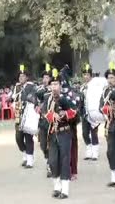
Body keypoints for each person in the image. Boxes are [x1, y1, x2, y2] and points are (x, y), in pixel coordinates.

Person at [43, 68, 78, 199]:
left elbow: (75, 111)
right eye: (52, 84)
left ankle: (65, 190)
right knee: (52, 161)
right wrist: (52, 116)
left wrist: (65, 114)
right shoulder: (47, 98)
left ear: (60, 85)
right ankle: (57, 187)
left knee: (64, 161)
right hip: (52, 134)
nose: (54, 87)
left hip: (65, 133)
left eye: (56, 84)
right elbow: (44, 112)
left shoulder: (68, 97)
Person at [12, 64, 37, 168]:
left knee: (28, 137)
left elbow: (33, 98)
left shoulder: (31, 86)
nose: (21, 78)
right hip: (18, 112)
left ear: (27, 77)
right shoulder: (17, 87)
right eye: (20, 76)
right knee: (18, 137)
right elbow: (14, 98)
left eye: (23, 76)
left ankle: (30, 160)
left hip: (27, 113)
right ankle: (25, 153)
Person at [80, 64, 100, 160]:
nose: (86, 77)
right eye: (84, 75)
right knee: (84, 133)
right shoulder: (82, 87)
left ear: (91, 76)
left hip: (93, 112)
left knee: (93, 133)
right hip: (85, 113)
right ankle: (89, 150)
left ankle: (95, 152)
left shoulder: (95, 86)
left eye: (88, 75)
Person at [36, 63, 52, 177]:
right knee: (42, 144)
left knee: (51, 143)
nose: (45, 79)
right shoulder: (39, 90)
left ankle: (50, 165)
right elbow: (36, 101)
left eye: (47, 77)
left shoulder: (53, 90)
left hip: (52, 121)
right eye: (44, 77)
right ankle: (48, 158)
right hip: (42, 121)